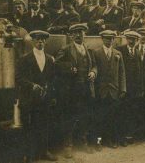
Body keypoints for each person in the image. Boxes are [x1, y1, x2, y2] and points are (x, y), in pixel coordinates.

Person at [55, 24, 98, 158]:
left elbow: (95, 66)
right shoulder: (66, 49)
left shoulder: (89, 50)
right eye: (76, 33)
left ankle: (83, 142)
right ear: (71, 35)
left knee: (85, 116)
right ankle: (68, 145)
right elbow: (56, 64)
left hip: (86, 89)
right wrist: (69, 68)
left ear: (85, 34)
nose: (79, 35)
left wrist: (93, 72)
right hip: (71, 90)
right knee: (70, 117)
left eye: (81, 32)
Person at [16, 30, 57, 162]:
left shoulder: (50, 59)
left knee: (44, 125)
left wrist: (51, 94)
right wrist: (32, 85)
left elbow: (52, 79)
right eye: (37, 39)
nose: (40, 42)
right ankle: (30, 154)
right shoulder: (24, 59)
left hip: (44, 98)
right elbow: (18, 78)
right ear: (33, 41)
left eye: (43, 40)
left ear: (45, 41)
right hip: (30, 98)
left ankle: (44, 151)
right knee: (30, 126)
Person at [93, 30, 126, 148]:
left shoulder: (118, 53)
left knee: (112, 117)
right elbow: (94, 69)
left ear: (113, 40)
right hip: (101, 91)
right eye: (106, 38)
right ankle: (98, 141)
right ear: (102, 39)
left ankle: (111, 140)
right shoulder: (96, 53)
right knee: (100, 117)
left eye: (111, 38)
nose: (109, 41)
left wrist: (123, 89)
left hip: (114, 90)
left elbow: (122, 72)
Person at [117, 31, 143, 142]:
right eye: (129, 39)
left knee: (133, 111)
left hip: (134, 89)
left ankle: (130, 135)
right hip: (124, 87)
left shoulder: (137, 52)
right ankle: (122, 137)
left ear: (137, 41)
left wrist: (140, 88)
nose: (131, 41)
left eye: (134, 39)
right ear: (126, 39)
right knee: (123, 111)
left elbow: (140, 71)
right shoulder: (120, 50)